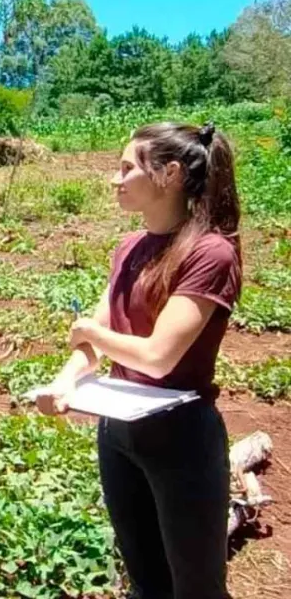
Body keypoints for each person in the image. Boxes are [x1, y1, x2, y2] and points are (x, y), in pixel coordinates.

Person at [36, 122, 241, 599]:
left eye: (127, 168)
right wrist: (65, 382)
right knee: (146, 579)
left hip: (181, 440)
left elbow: (158, 356)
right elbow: (97, 330)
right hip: (119, 433)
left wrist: (90, 333)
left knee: (196, 588)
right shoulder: (129, 248)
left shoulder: (211, 252)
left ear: (168, 174)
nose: (115, 179)